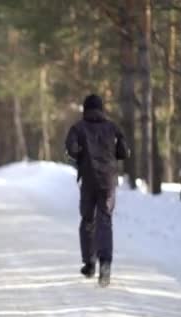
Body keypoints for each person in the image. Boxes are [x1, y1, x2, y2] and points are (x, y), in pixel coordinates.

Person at [64, 94, 130, 287]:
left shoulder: (78, 128)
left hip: (88, 180)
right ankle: (106, 264)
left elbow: (71, 149)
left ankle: (89, 263)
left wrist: (80, 154)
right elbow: (124, 152)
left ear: (85, 109)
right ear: (102, 109)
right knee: (105, 221)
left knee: (87, 220)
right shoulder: (113, 127)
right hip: (108, 181)